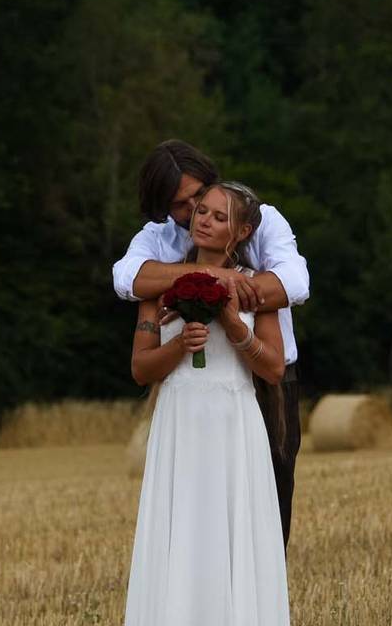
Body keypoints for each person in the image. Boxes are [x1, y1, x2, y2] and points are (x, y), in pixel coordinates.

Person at [120, 181, 294, 626]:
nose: (204, 221)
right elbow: (139, 369)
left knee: (233, 532)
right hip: (181, 418)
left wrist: (227, 322)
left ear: (242, 232)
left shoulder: (255, 288)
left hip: (233, 419)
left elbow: (272, 367)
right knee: (184, 534)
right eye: (200, 212)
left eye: (219, 217)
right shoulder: (158, 286)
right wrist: (178, 345)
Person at [110, 140, 309, 553]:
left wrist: (233, 290)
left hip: (265, 383)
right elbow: (127, 279)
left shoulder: (260, 217)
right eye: (184, 206)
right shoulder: (158, 236)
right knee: (191, 516)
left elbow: (294, 284)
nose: (196, 213)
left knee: (268, 505)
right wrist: (204, 274)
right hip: (189, 393)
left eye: (200, 196)